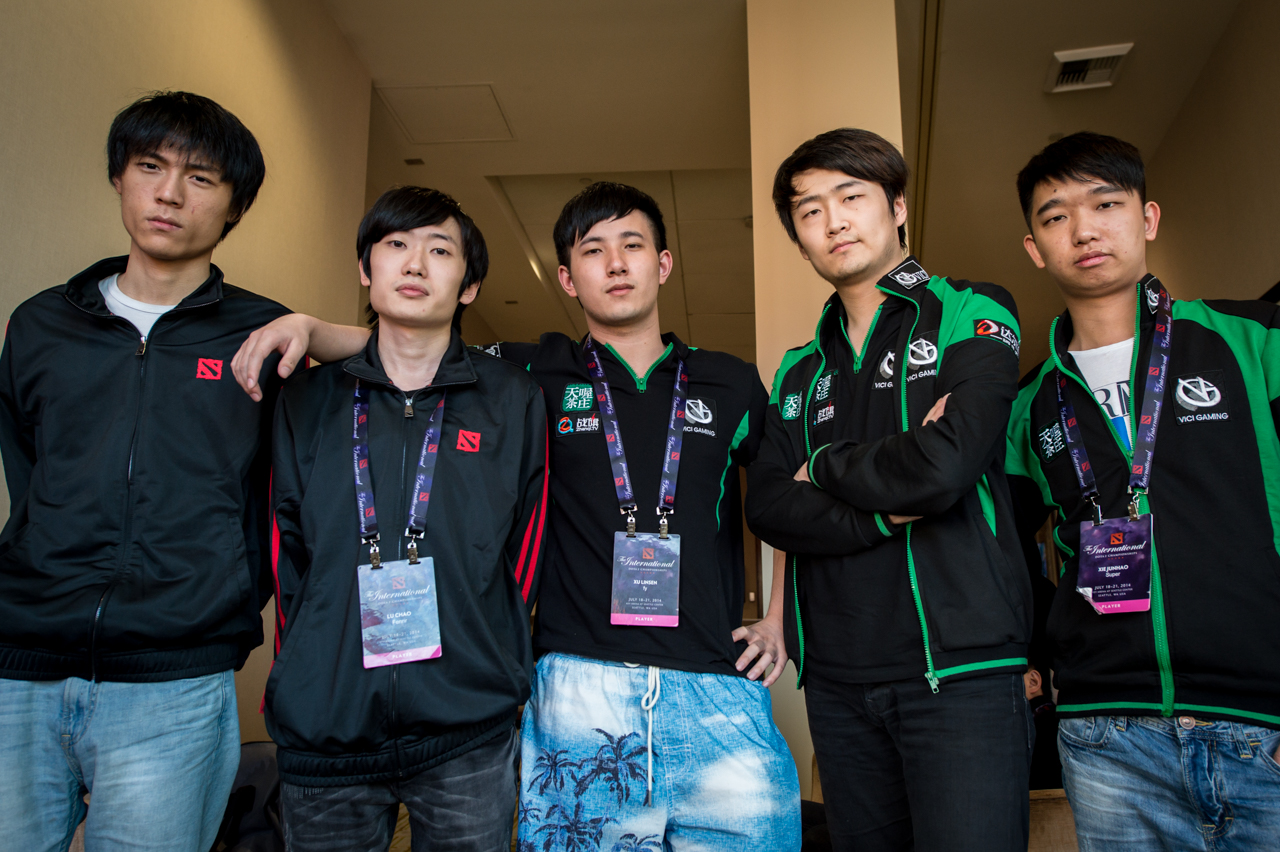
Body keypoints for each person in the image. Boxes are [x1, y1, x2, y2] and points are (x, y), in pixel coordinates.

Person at [234, 181, 801, 851]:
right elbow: (414, 340)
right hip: (577, 685)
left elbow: (785, 495)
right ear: (566, 277)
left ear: (664, 263)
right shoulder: (532, 374)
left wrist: (777, 619)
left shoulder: (730, 381)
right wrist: (310, 329)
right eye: (593, 250)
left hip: (710, 679)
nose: (616, 264)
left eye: (633, 245)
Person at [0, 91, 365, 851]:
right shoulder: (40, 324)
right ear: (119, 177)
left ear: (234, 206)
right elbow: (28, 472)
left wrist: (314, 326)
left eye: (200, 178)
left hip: (175, 676)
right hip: (21, 665)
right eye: (150, 167)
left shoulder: (264, 333)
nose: (169, 194)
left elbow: (417, 359)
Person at [745, 127, 1034, 852]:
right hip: (837, 684)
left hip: (962, 670)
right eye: (810, 211)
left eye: (851, 197)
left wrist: (824, 467)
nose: (833, 221)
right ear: (800, 242)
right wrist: (888, 507)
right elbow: (770, 507)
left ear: (897, 206)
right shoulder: (797, 371)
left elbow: (945, 468)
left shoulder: (972, 309)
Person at [1006, 131, 1280, 849]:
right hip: (1108, 738)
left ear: (1148, 218)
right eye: (1056, 215)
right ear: (1035, 247)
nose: (1084, 229)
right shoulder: (1028, 404)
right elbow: (999, 552)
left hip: (1263, 724)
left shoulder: (1255, 341)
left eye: (1106, 204)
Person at [265, 186, 546, 851]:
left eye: (440, 250)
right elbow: (285, 550)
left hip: (467, 728)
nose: (415, 263)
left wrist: (494, 657)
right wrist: (304, 671)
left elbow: (527, 548)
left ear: (469, 285)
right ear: (366, 269)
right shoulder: (308, 398)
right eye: (396, 245)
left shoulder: (511, 398)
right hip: (327, 729)